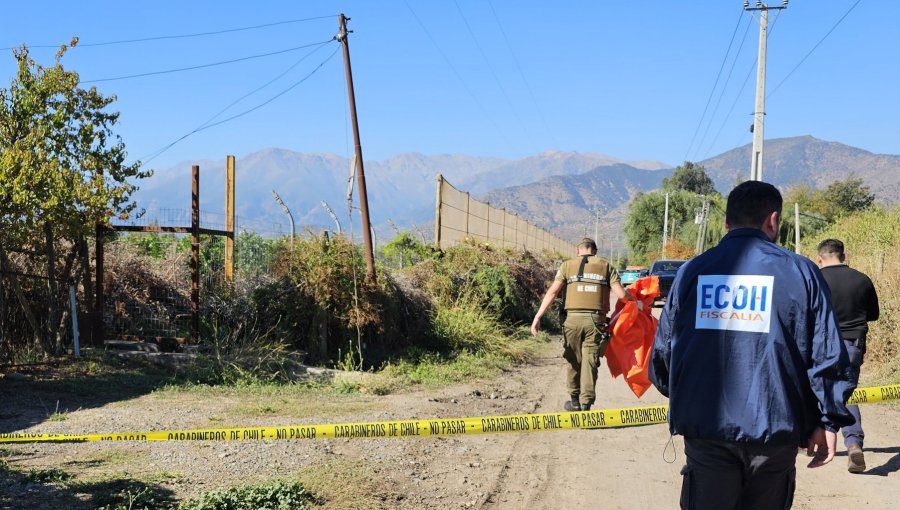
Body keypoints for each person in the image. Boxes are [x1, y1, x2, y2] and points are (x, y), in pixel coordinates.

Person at [649, 181, 855, 509]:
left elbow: (663, 357)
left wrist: (690, 398)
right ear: (772, 221)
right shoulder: (802, 272)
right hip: (775, 434)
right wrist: (827, 420)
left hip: (708, 434)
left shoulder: (691, 272)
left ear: (726, 223)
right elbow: (827, 354)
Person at [531, 237, 642, 411]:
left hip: (571, 320)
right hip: (595, 321)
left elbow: (553, 292)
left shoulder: (567, 266)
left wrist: (538, 316)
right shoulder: (606, 266)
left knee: (573, 359)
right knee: (590, 361)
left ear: (578, 251)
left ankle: (574, 401)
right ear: (595, 251)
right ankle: (586, 404)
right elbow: (621, 294)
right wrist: (636, 302)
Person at [816, 238, 880, 473]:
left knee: (817, 390)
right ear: (844, 255)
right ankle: (853, 444)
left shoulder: (816, 279)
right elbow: (873, 315)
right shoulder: (862, 279)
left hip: (822, 345)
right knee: (848, 393)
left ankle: (813, 440)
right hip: (853, 344)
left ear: (819, 258)